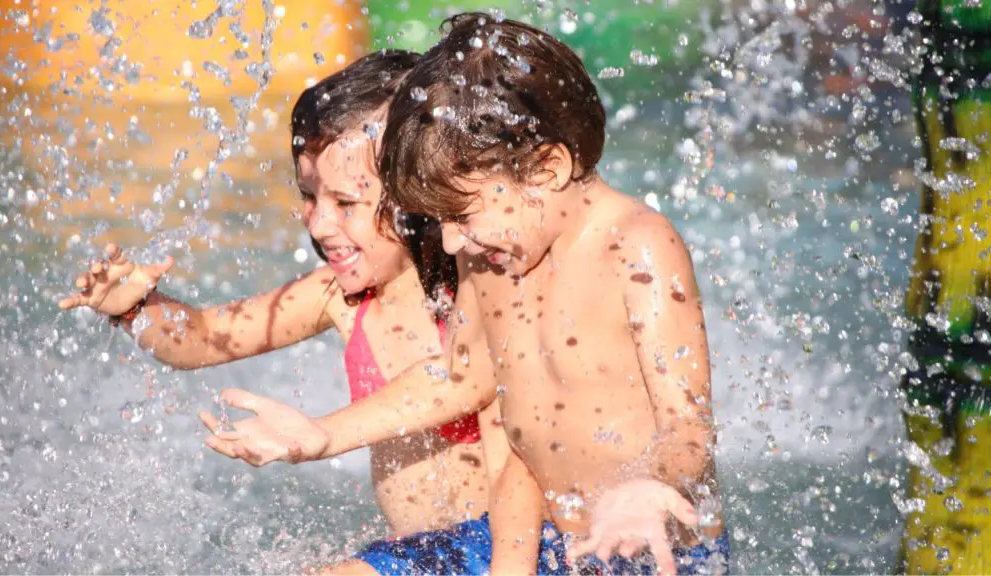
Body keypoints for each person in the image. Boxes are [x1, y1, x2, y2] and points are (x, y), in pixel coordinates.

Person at [204, 13, 731, 575]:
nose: (451, 240)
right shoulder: (494, 251)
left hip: (644, 544)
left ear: (547, 167)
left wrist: (650, 485)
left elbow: (689, 430)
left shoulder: (637, 247)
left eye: (461, 214)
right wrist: (321, 434)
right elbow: (469, 391)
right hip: (535, 533)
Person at [56, 50, 505, 548]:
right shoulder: (338, 297)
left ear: (419, 190)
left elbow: (455, 381)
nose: (318, 223)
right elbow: (204, 338)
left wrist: (318, 432)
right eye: (310, 197)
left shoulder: (480, 284)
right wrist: (137, 308)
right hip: (417, 553)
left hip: (505, 547)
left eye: (346, 203)